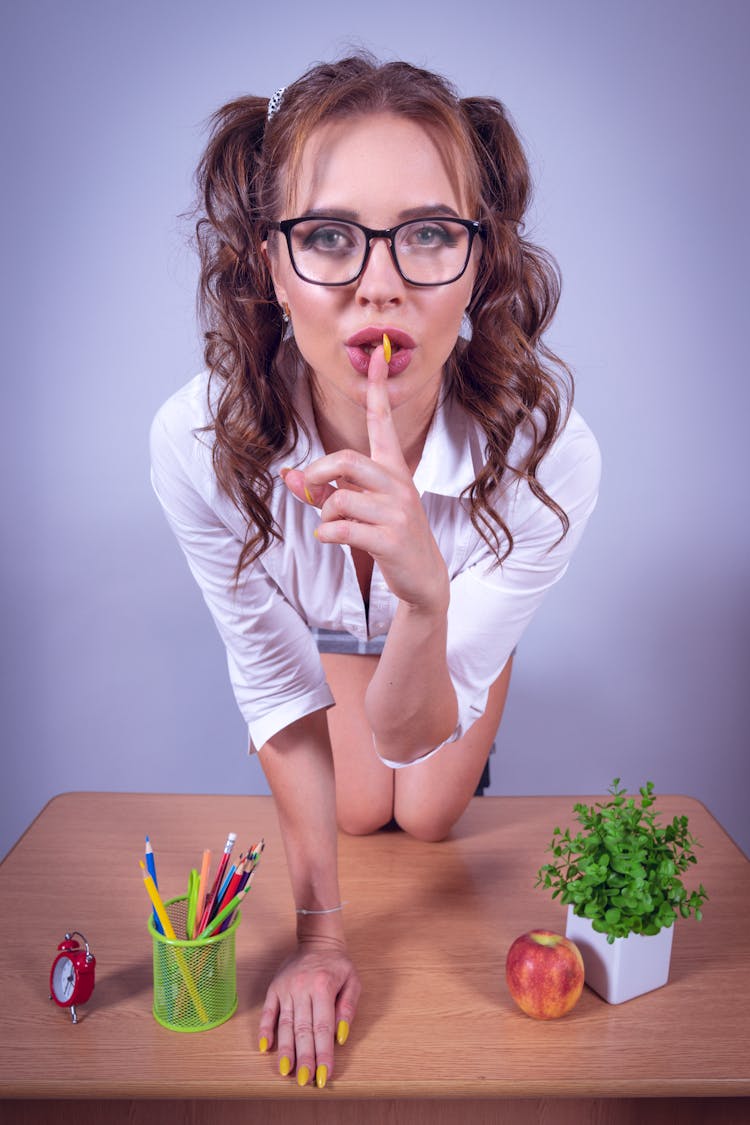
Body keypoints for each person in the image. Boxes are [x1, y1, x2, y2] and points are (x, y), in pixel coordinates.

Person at [150, 53, 601, 1089]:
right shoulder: (193, 441)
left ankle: (470, 639)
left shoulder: (552, 457)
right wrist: (319, 936)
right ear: (272, 264)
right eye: (328, 237)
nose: (380, 282)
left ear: (480, 264)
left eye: (431, 232)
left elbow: (408, 732)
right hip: (318, 646)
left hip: (431, 643)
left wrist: (423, 594)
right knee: (357, 813)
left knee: (428, 808)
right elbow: (272, 687)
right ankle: (403, 640)